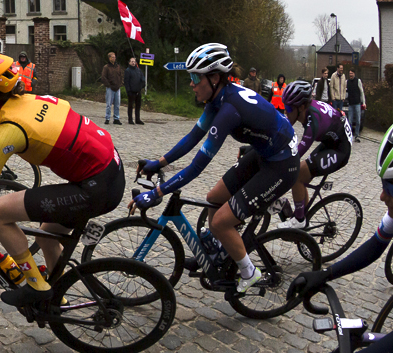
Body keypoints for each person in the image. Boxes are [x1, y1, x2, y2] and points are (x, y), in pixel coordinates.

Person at [0, 53, 123, 302]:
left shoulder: (10, 130)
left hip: (94, 187)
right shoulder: (30, 101)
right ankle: (57, 296)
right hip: (110, 170)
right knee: (46, 236)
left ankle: (37, 288)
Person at [135, 43, 298, 294]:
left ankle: (249, 273)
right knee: (213, 199)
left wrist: (158, 192)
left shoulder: (229, 111)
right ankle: (222, 251)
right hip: (264, 153)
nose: (191, 84)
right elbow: (191, 138)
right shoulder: (218, 99)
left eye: (194, 77)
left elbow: (197, 167)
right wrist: (158, 163)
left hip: (282, 165)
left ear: (213, 78)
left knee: (220, 223)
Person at [286, 116, 393, 353]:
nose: (382, 196)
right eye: (382, 183)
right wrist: (324, 274)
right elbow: (375, 247)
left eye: (390, 187)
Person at [278, 80, 353, 229]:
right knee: (301, 174)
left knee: (297, 173)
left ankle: (299, 220)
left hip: (340, 149)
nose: (285, 111)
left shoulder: (314, 121)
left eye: (288, 108)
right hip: (331, 141)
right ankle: (303, 216)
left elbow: (297, 153)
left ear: (301, 107)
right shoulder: (306, 110)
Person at [101, 51, 123, 125]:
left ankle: (116, 118)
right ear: (109, 58)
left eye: (115, 57)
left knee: (117, 104)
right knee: (109, 104)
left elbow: (120, 75)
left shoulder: (117, 66)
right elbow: (103, 77)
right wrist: (108, 85)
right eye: (113, 57)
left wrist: (120, 83)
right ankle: (107, 118)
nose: (114, 58)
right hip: (110, 87)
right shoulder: (106, 67)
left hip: (117, 87)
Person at [346, 69, 367, 142]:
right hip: (351, 104)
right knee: (350, 121)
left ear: (354, 74)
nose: (350, 75)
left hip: (357, 104)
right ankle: (350, 135)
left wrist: (363, 102)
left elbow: (361, 92)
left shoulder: (358, 81)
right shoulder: (347, 82)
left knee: (358, 121)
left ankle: (357, 135)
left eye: (351, 73)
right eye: (349, 73)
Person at [125, 56, 145, 125]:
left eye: (134, 61)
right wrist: (128, 91)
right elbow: (126, 82)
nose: (133, 63)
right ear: (129, 62)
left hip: (138, 91)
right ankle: (130, 119)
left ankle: (137, 119)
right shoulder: (128, 70)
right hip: (131, 91)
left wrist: (142, 85)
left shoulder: (138, 70)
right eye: (132, 61)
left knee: (138, 106)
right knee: (130, 106)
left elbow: (142, 79)